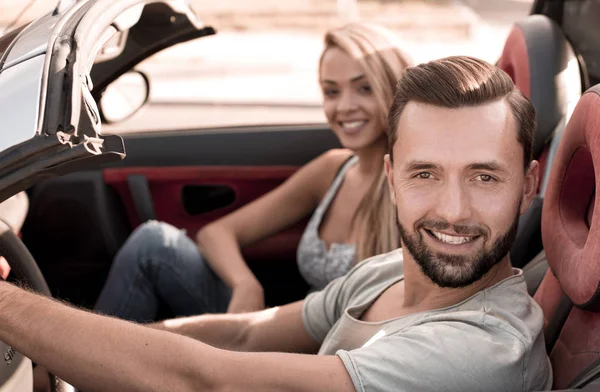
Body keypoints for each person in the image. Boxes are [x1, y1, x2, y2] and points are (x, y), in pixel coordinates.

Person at [13, 55, 551, 392]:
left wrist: (9, 308)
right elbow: (247, 333)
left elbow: (210, 381)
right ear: (390, 178)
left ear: (528, 185)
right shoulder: (390, 272)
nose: (453, 210)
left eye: (485, 177)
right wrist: (80, 357)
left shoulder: (481, 353)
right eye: (426, 174)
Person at [94, 22, 411, 321]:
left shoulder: (411, 189)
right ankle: (83, 369)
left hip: (338, 355)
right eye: (332, 92)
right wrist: (246, 285)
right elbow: (216, 233)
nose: (344, 106)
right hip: (287, 330)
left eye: (364, 88)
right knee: (153, 243)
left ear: (394, 89)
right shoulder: (333, 169)